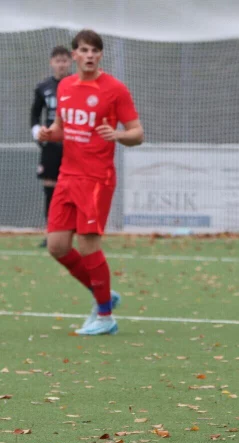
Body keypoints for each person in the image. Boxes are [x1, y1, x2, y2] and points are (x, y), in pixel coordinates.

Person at [37, 29, 144, 336]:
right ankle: (104, 295)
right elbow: (62, 127)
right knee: (57, 247)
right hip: (67, 177)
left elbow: (137, 133)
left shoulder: (115, 89)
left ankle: (106, 316)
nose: (88, 55)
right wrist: (50, 133)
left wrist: (119, 135)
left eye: (94, 51)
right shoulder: (66, 86)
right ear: (74, 55)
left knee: (87, 245)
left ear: (100, 55)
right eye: (83, 50)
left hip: (97, 178)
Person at [31, 46, 72, 248]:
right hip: (51, 145)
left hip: (74, 144)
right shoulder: (43, 87)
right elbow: (34, 115)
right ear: (51, 63)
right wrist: (38, 134)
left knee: (74, 189)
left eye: (65, 60)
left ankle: (76, 232)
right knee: (50, 189)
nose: (61, 64)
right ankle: (51, 233)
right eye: (58, 60)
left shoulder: (78, 84)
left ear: (70, 62)